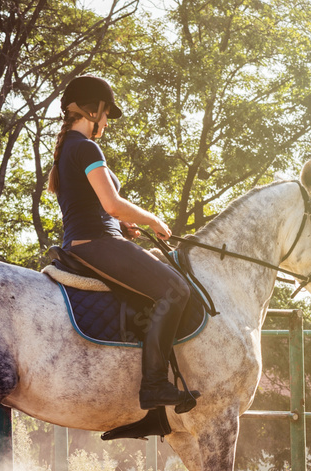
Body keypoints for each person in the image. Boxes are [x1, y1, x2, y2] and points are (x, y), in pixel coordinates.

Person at [47, 74, 197, 412]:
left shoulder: (68, 149)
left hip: (93, 239)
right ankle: (154, 385)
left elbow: (96, 205)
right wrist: (151, 219)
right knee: (176, 290)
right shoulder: (85, 147)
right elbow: (111, 202)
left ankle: (154, 413)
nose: (105, 123)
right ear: (92, 109)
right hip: (96, 243)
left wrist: (123, 223)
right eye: (104, 114)